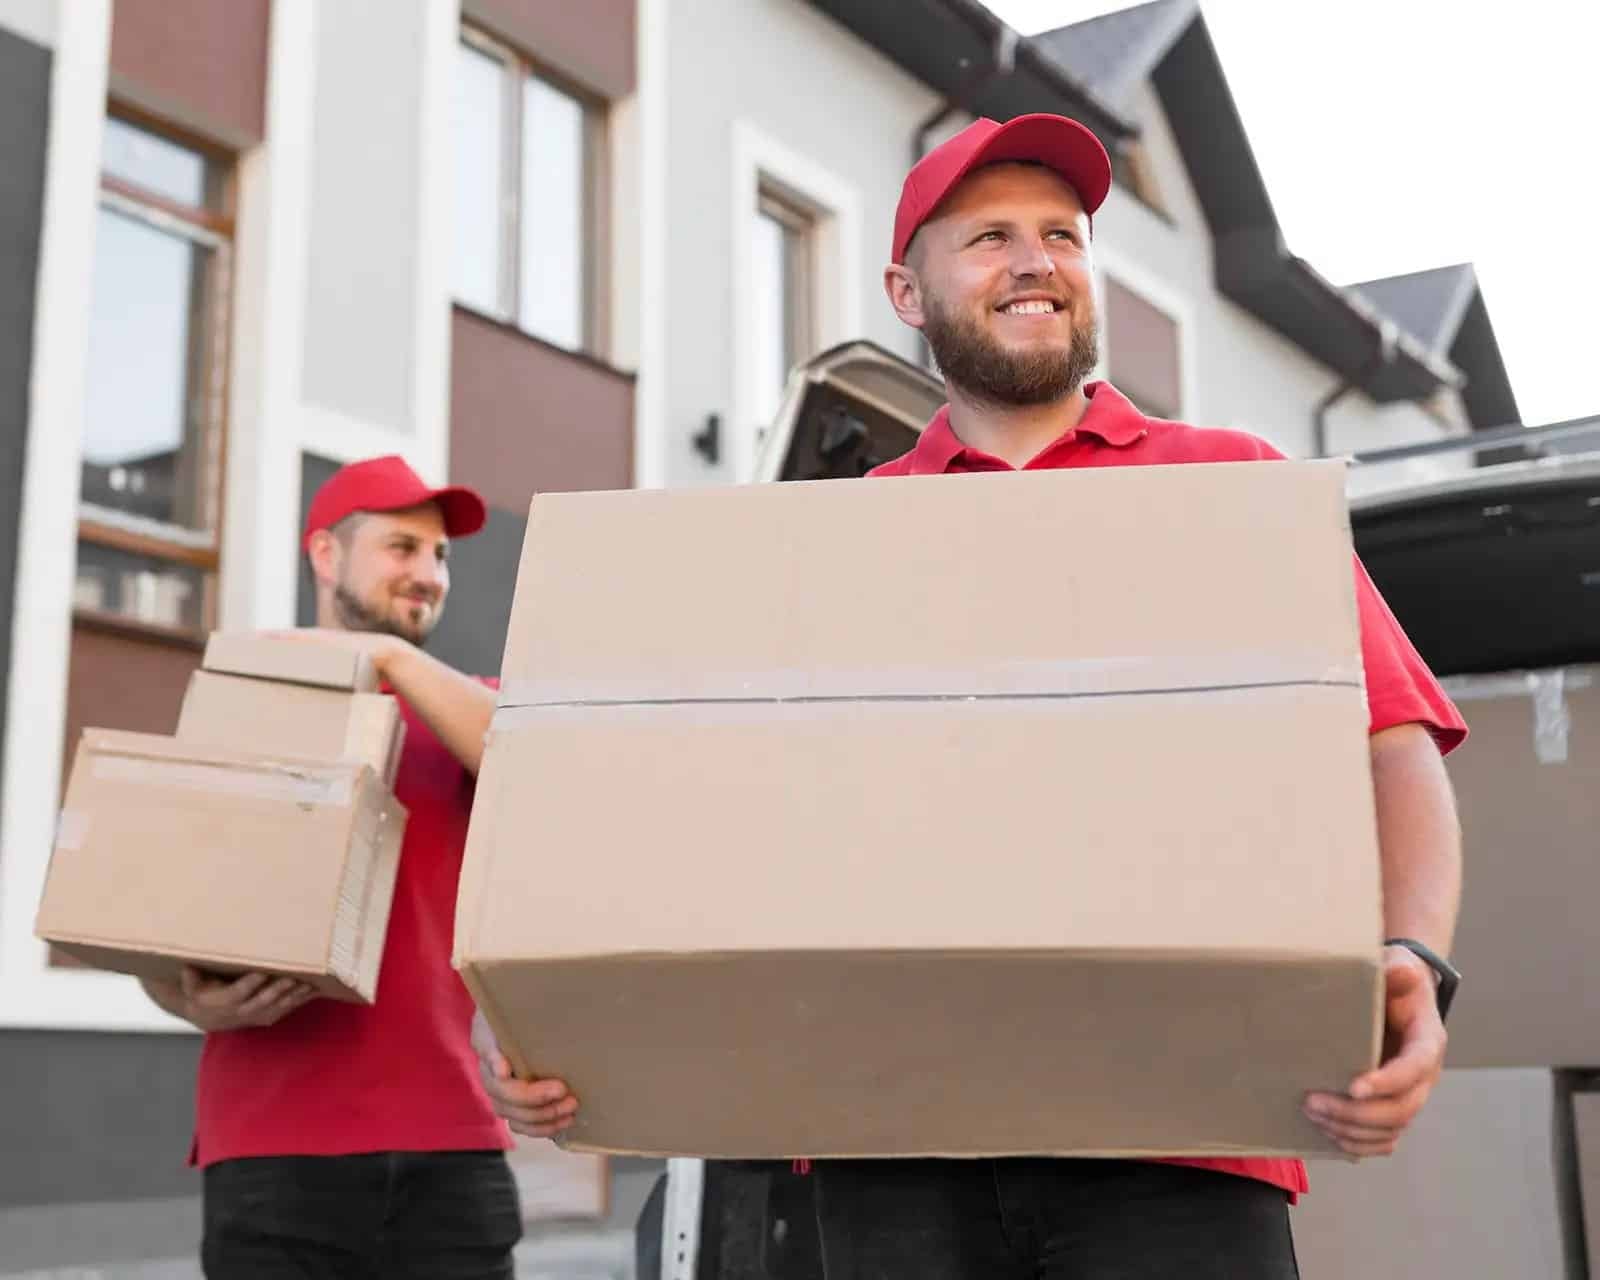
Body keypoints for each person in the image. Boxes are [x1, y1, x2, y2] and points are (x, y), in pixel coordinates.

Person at [484, 115, 1467, 1279]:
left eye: (1062, 234)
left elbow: (1392, 745)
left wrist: (1414, 956)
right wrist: (567, 1027)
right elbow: (711, 824)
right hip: (890, 1147)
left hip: (1181, 1139)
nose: (1036, 260)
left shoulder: (1229, 484)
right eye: (990, 236)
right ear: (906, 290)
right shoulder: (833, 539)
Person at [141, 455, 547, 1279]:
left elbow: (535, 761)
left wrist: (387, 660)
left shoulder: (471, 708)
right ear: (326, 555)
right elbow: (154, 916)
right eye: (402, 547)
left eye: (440, 556)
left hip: (452, 1148)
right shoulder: (247, 703)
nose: (429, 574)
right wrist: (190, 1001)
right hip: (276, 1147)